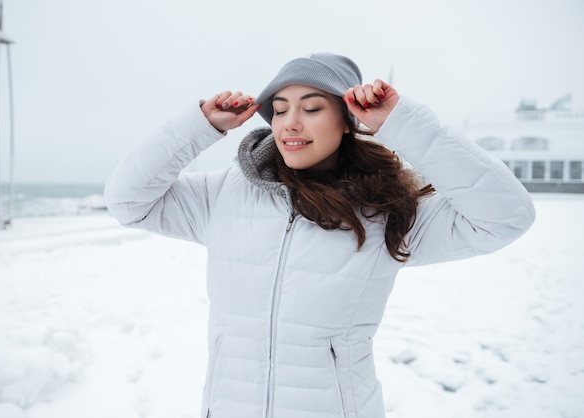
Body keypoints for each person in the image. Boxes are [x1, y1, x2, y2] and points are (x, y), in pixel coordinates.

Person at [104, 53, 535, 418]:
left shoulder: (386, 209)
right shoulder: (222, 195)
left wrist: (402, 124)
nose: (290, 123)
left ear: (347, 120)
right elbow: (127, 201)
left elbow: (506, 217)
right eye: (279, 109)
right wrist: (198, 125)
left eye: (311, 109)